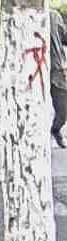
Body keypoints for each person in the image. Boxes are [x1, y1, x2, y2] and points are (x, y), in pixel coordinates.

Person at [50, 9, 67, 148]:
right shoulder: (21, 17)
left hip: (56, 71)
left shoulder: (53, 16)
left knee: (63, 110)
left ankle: (55, 129)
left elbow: (64, 38)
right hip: (32, 73)